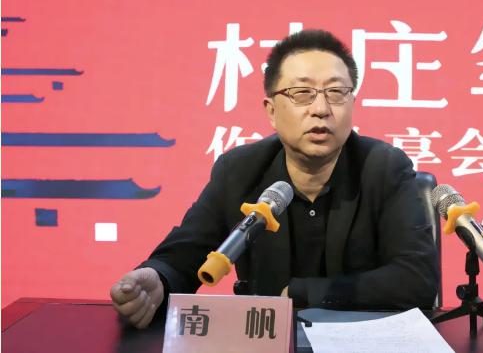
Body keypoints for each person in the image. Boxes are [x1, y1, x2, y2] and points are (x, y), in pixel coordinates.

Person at [110, 29, 439, 329]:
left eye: (336, 92)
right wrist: (158, 278)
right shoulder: (240, 170)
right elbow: (187, 253)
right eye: (302, 93)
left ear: (352, 103)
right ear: (271, 110)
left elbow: (417, 279)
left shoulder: (384, 167)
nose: (321, 108)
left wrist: (301, 293)